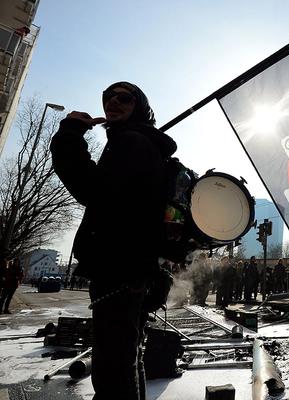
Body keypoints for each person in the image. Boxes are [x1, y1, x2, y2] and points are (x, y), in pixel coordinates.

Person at [51, 81, 176, 400]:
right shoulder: (138, 142)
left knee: (113, 371)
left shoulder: (132, 142)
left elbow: (94, 190)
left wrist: (69, 136)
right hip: (134, 270)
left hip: (118, 269)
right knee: (127, 360)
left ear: (140, 105)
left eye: (124, 98)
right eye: (108, 98)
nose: (113, 102)